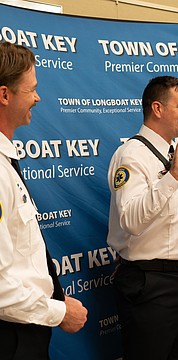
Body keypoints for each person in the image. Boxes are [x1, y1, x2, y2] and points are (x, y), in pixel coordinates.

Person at [0, 41, 88, 359]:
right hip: (12, 336)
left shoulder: (7, 159)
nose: (38, 98)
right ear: (5, 95)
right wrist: (58, 312)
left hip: (28, 329)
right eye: (31, 89)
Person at [107, 76, 178, 360]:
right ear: (158, 109)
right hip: (151, 286)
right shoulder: (131, 155)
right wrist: (173, 176)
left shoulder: (173, 153)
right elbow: (132, 220)